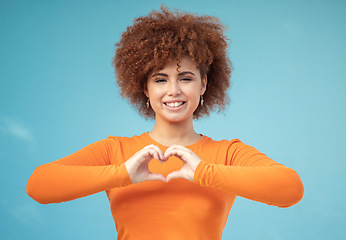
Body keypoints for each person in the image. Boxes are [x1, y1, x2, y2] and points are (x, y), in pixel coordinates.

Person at [27, 6, 304, 240]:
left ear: (204, 84)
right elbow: (39, 185)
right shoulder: (117, 152)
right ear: (145, 88)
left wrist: (204, 172)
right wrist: (123, 174)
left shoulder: (226, 154)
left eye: (185, 78)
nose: (174, 90)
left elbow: (291, 189)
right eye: (160, 79)